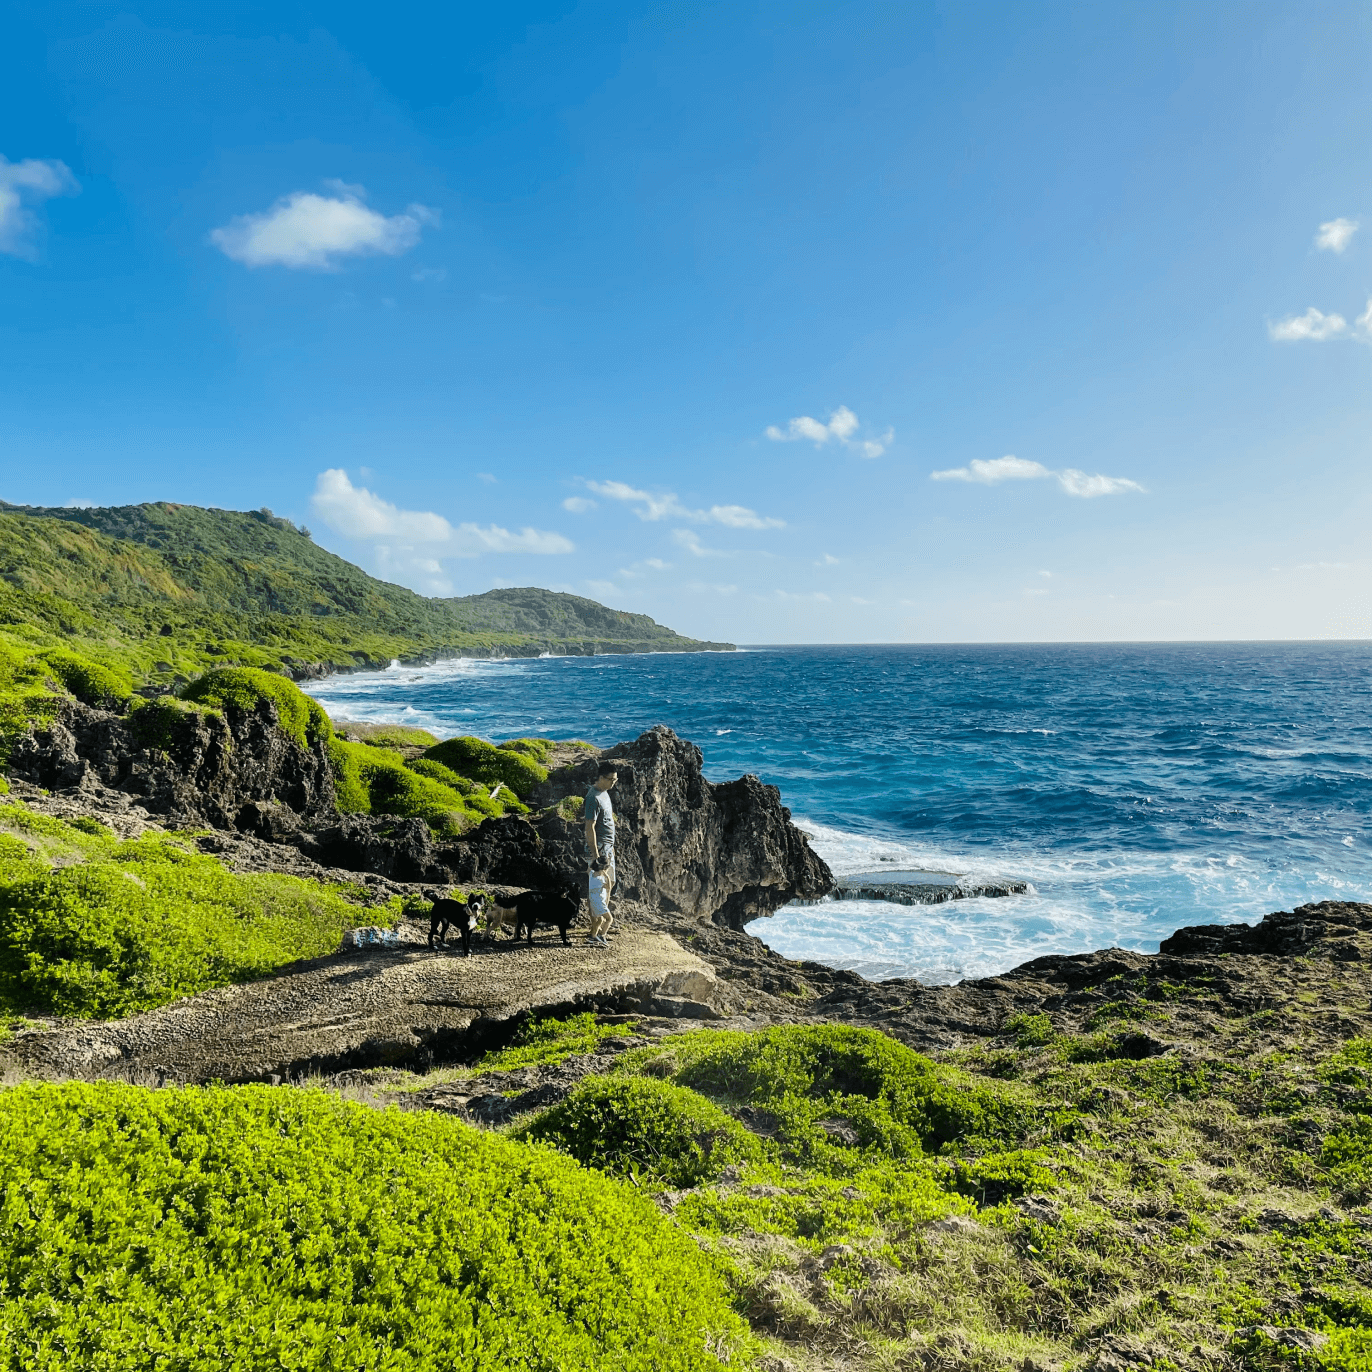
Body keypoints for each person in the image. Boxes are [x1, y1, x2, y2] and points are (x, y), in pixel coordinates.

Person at [584, 760, 618, 944]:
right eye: (610, 779)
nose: (613, 783)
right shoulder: (592, 797)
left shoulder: (605, 793)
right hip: (599, 853)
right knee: (596, 889)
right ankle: (594, 929)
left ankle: (603, 925)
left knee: (609, 883)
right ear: (600, 778)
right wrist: (596, 857)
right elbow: (590, 828)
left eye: (615, 780)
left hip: (608, 849)